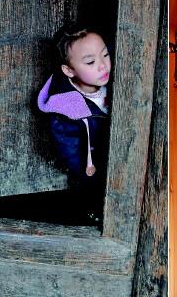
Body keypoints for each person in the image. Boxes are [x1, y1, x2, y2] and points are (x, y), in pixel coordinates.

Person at [37, 26, 111, 221]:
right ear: (69, 70)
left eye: (105, 55)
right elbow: (71, 154)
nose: (103, 65)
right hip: (95, 176)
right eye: (90, 62)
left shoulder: (115, 83)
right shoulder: (65, 108)